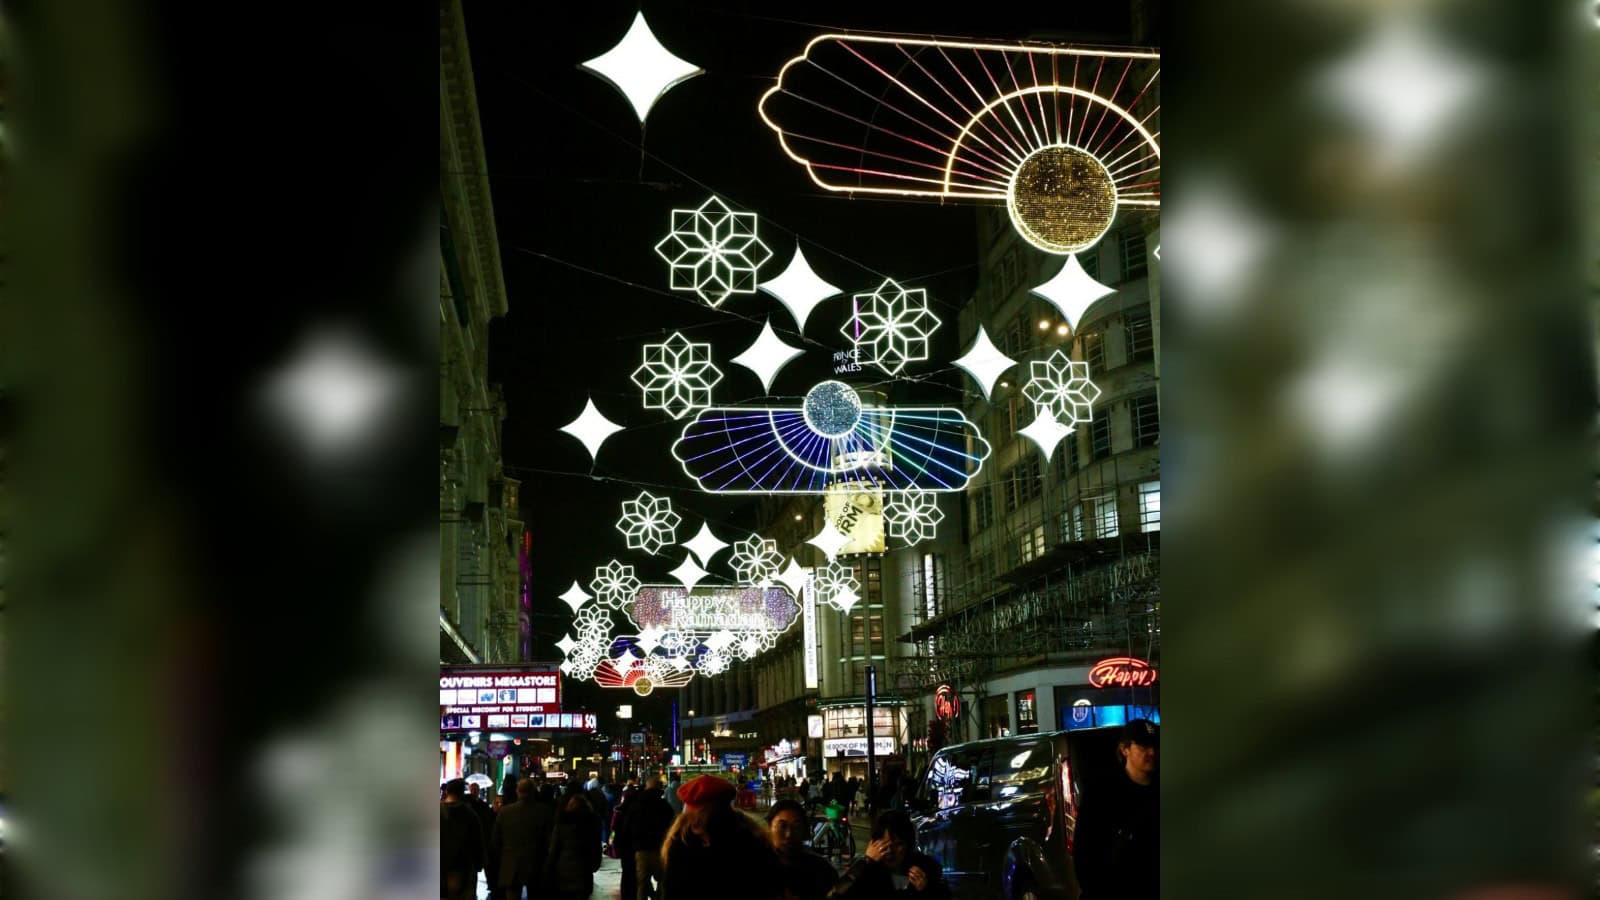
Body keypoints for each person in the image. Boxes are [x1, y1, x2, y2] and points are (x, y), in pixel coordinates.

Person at [1071, 718, 1159, 900]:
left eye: (1155, 745)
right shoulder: (1102, 793)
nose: (1151, 752)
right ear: (1125, 749)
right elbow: (1085, 853)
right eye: (1143, 746)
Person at [660, 775, 783, 900]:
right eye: (689, 816)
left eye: (698, 817)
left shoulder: (749, 844)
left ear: (717, 815)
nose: (693, 823)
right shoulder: (680, 844)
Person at [824, 810, 948, 899]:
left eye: (898, 844)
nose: (890, 850)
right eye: (884, 844)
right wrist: (866, 862)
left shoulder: (926, 868)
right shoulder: (868, 873)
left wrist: (926, 890)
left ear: (908, 844)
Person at [490, 777, 556, 900]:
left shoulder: (505, 812)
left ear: (518, 791)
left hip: (511, 865)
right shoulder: (544, 812)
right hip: (536, 864)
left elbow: (496, 840)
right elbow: (550, 840)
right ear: (533, 791)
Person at [767, 798, 837, 900]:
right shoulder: (758, 867)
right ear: (769, 828)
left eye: (796, 827)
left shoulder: (821, 870)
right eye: (782, 826)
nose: (789, 834)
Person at [546, 787, 603, 900]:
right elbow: (596, 847)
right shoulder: (591, 824)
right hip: (584, 871)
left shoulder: (562, 822)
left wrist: (549, 866)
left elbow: (554, 848)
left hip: (564, 871)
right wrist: (595, 864)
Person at [626, 775, 676, 900]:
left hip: (641, 849)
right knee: (663, 882)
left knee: (642, 884)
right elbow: (671, 827)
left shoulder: (636, 805)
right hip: (660, 849)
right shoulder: (665, 806)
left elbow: (627, 827)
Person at [440, 778, 486, 900]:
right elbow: (478, 842)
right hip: (462, 867)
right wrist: (479, 863)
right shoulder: (470, 815)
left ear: (447, 792)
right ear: (462, 793)